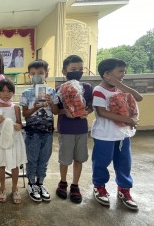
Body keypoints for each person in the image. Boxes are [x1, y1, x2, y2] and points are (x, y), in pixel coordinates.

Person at [91, 58, 143, 210]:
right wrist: (127, 119)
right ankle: (99, 186)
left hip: (123, 135)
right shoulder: (99, 91)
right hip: (105, 135)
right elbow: (102, 112)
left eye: (124, 71)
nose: (123, 74)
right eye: (120, 71)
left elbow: (138, 99)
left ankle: (124, 189)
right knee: (101, 162)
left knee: (124, 162)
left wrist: (133, 118)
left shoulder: (121, 89)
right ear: (106, 74)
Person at [54, 55, 93, 203]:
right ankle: (62, 182)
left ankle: (75, 185)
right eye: (73, 69)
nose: (77, 72)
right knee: (64, 159)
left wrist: (86, 112)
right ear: (64, 71)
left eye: (80, 69)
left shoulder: (87, 88)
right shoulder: (59, 89)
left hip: (81, 129)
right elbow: (56, 110)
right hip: (66, 129)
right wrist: (66, 112)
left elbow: (91, 105)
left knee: (79, 159)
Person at [20, 59, 59, 202]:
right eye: (33, 73)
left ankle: (40, 183)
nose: (37, 75)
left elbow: (56, 112)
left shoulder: (52, 91)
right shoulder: (26, 93)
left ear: (46, 74)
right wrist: (36, 107)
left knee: (44, 158)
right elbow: (25, 114)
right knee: (32, 159)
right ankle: (31, 184)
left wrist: (50, 102)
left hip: (48, 132)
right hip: (32, 132)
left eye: (40, 73)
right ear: (29, 75)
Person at [0, 79, 27, 204]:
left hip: (14, 139)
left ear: (13, 93)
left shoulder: (15, 107)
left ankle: (15, 188)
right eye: (3, 91)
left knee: (14, 165)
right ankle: (2, 187)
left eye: (9, 91)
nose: (6, 94)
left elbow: (20, 124)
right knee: (1, 164)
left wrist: (19, 126)